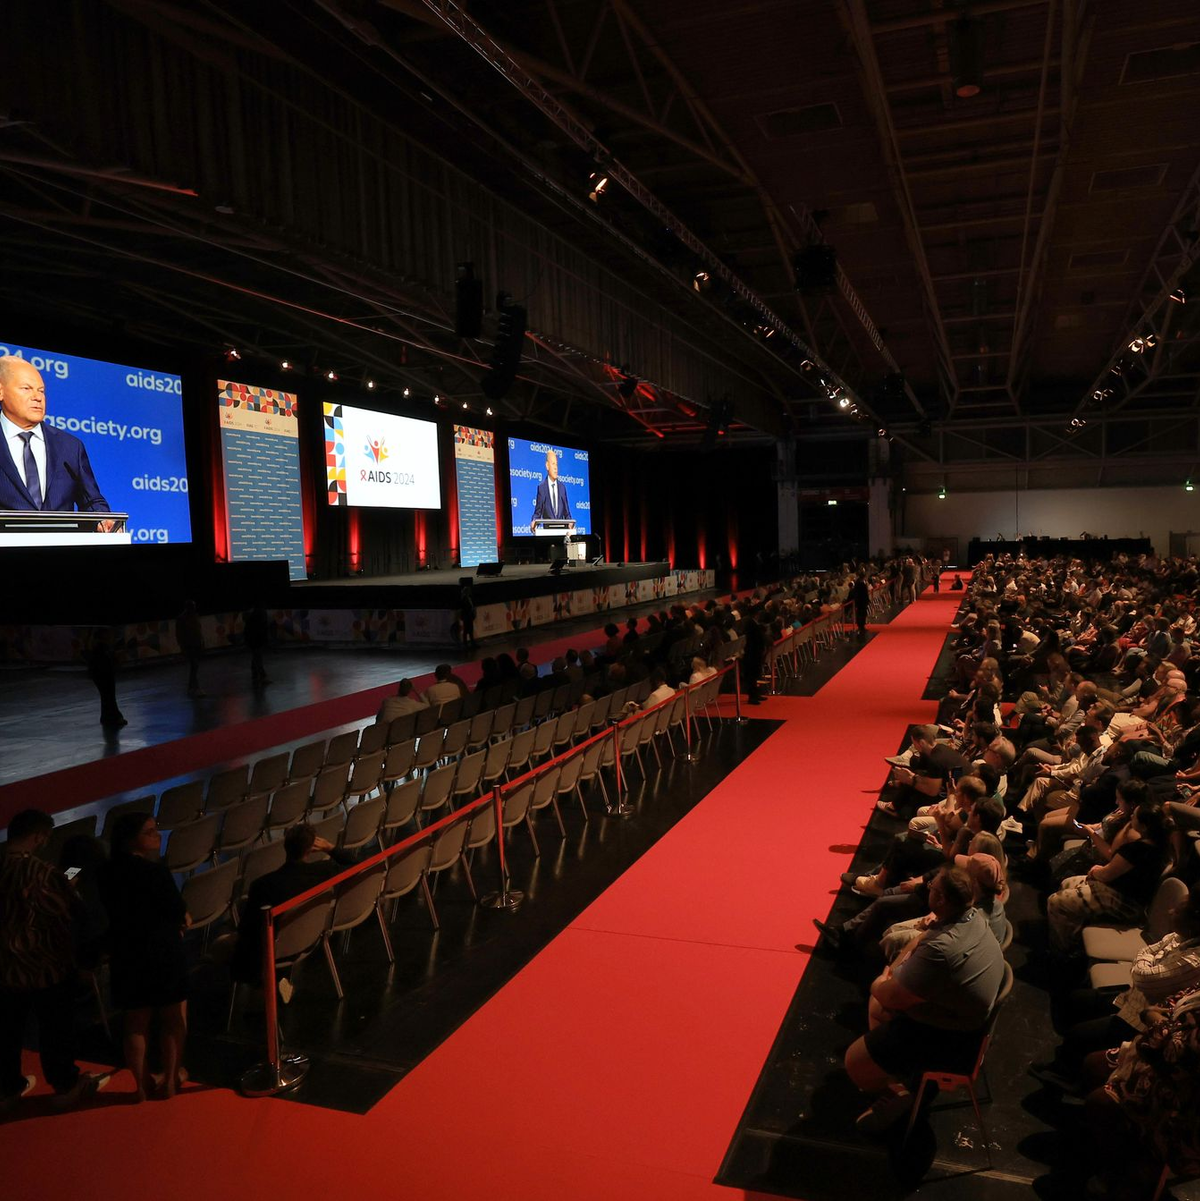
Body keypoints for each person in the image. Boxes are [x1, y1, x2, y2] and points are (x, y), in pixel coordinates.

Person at [843, 865, 1006, 1132]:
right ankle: (899, 1074)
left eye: (932, 888)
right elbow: (921, 941)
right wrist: (894, 974)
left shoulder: (942, 950)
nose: (928, 889)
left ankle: (901, 1093)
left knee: (855, 1062)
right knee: (880, 1009)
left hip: (953, 1039)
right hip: (966, 1019)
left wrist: (883, 978)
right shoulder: (972, 917)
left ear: (940, 899)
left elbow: (888, 993)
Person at [0, 810, 110, 1110]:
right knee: (55, 1030)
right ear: (39, 837)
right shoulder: (40, 872)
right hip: (43, 966)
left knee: (8, 1031)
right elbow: (69, 900)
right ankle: (65, 1084)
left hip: (5, 967)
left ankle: (7, 1086)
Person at [102, 812, 189, 1102]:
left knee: (135, 1022)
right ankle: (170, 1082)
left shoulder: (105, 872)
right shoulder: (157, 873)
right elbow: (177, 911)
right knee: (172, 1019)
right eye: (150, 831)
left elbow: (75, 872)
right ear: (131, 839)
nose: (157, 835)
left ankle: (140, 1086)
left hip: (126, 953)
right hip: (163, 951)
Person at [231, 823, 356, 990]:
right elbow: (357, 865)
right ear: (311, 848)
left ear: (285, 846)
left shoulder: (263, 885)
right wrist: (330, 848)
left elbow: (246, 930)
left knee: (223, 945)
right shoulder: (325, 870)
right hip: (311, 938)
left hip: (271, 952)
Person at [0, 356, 114, 524]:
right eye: (26, 388)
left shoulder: (69, 446)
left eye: (41, 390)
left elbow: (92, 501)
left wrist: (103, 520)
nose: (37, 397)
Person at [86, 625, 127, 729]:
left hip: (100, 673)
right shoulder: (102, 648)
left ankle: (108, 717)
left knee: (106, 696)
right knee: (109, 696)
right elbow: (107, 662)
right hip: (104, 673)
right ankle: (113, 717)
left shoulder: (97, 647)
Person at [531, 449, 571, 524]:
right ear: (547, 466)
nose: (556, 467)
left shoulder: (562, 487)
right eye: (553, 464)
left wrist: (571, 523)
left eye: (556, 464)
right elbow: (537, 513)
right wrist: (534, 522)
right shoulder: (542, 488)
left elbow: (567, 514)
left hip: (561, 532)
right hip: (547, 533)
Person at [175, 599, 205, 698]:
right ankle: (195, 688)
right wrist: (182, 647)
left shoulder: (194, 616)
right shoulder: (182, 619)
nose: (194, 608)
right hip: (189, 646)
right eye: (192, 607)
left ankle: (191, 688)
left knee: (194, 667)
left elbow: (198, 630)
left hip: (196, 645)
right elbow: (179, 635)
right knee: (194, 665)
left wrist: (202, 641)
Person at [244, 602, 271, 688]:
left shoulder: (252, 614)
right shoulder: (260, 614)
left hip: (253, 639)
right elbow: (262, 628)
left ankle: (255, 674)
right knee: (257, 657)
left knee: (256, 656)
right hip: (255, 639)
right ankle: (262, 676)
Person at [458, 577, 477, 651]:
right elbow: (462, 609)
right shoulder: (463, 599)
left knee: (471, 630)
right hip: (466, 616)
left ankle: (472, 643)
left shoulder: (469, 598)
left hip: (470, 616)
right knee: (466, 630)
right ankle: (465, 644)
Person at [851, 572, 870, 638]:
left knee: (859, 613)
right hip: (863, 601)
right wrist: (867, 601)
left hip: (859, 601)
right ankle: (861, 626)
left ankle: (860, 626)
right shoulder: (862, 584)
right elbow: (865, 594)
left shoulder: (857, 583)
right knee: (862, 614)